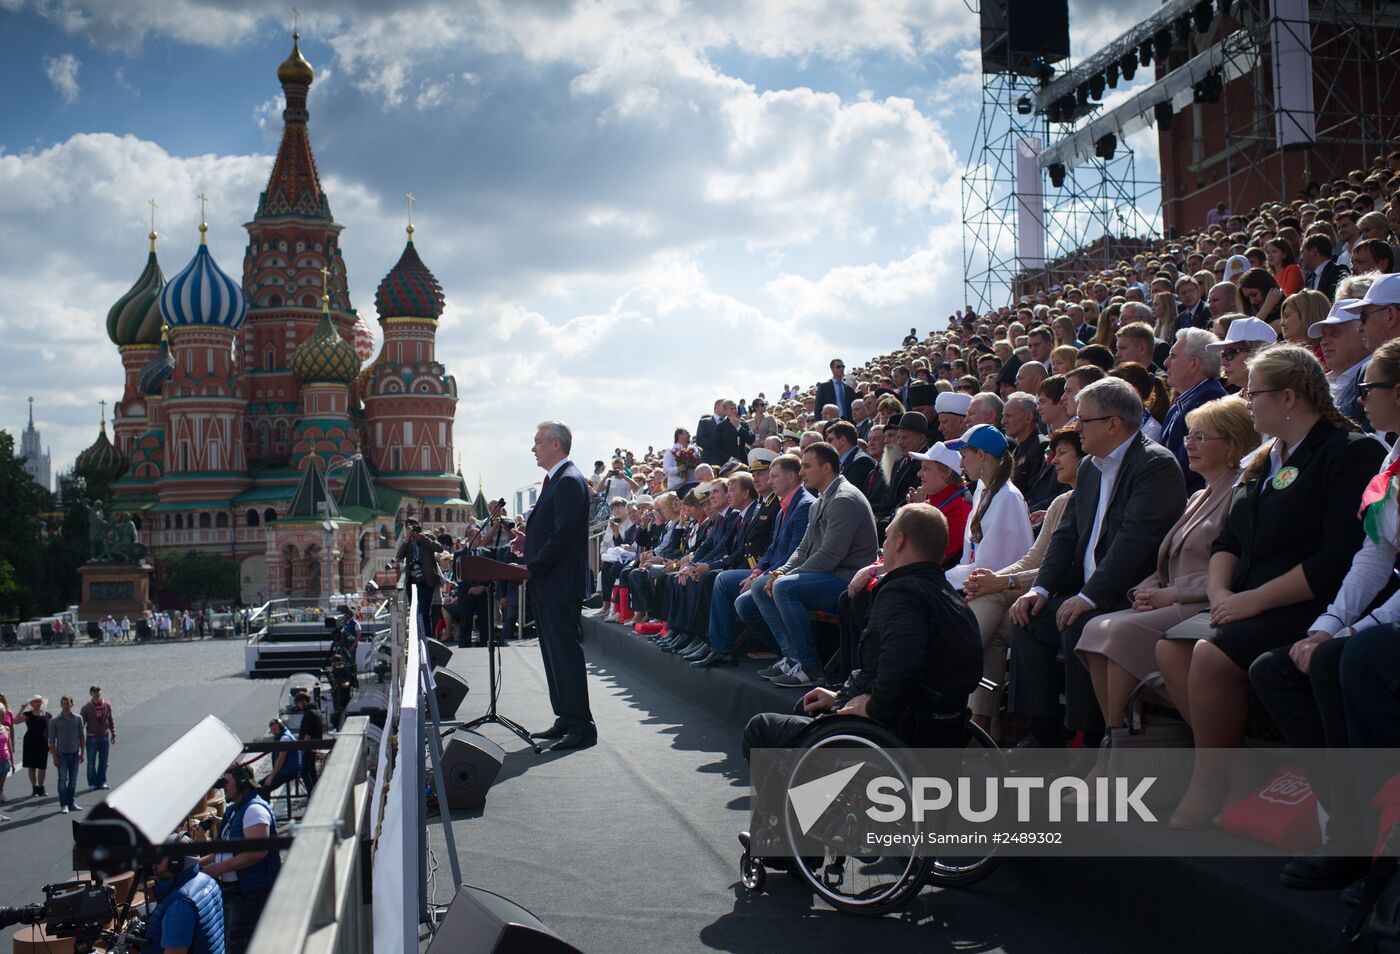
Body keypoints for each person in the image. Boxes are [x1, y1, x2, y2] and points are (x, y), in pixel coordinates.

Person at [1162, 344, 1383, 829]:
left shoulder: (1350, 452)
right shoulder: (1262, 460)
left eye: (1252, 392)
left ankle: (1208, 783)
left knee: (1208, 653)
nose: (1245, 400)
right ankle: (1234, 773)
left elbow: (1337, 558)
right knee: (1171, 649)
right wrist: (1221, 595)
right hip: (1247, 600)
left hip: (1311, 602)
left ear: (1288, 398)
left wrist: (1247, 602)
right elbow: (1230, 538)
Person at [1245, 337, 1400, 890]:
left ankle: (1374, 839)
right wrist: (1325, 625)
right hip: (1385, 617)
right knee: (1278, 667)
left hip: (1389, 627)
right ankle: (1350, 826)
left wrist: (1351, 629)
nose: (1361, 395)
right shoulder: (1391, 455)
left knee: (1353, 658)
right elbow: (1374, 555)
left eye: (1371, 386)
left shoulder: (1359, 450)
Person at [1007, 378, 1187, 746]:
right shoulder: (1090, 467)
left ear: (1112, 424)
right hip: (1087, 591)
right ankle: (1043, 738)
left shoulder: (1155, 465)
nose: (1075, 429)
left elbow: (1133, 544)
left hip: (1128, 595)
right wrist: (1041, 589)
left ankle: (1092, 741)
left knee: (1079, 626)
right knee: (1026, 618)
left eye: (1082, 421)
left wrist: (1088, 597)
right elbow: (1067, 535)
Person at [740, 502, 982, 758]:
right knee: (807, 706)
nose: (883, 545)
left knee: (760, 728)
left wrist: (874, 706)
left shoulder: (902, 594)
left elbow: (903, 663)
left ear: (899, 541)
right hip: (942, 727)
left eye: (886, 537)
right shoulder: (951, 599)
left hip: (897, 731)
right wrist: (840, 696)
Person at [1081, 396, 1257, 734]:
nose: (1188, 444)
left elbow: (1238, 569)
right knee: (1093, 629)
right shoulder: (1199, 496)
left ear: (1233, 444)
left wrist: (1174, 593)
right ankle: (1114, 739)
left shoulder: (1241, 494)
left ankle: (1118, 748)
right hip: (1174, 600)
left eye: (1201, 438)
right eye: (1189, 436)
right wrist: (1146, 589)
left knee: (1117, 631)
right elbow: (1170, 559)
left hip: (1201, 605)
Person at [963, 426, 1084, 730]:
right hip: (1038, 591)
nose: (1052, 460)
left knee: (996, 607)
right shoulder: (1059, 503)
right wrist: (989, 579)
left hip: (1063, 594)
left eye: (1061, 453)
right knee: (993, 614)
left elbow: (1064, 568)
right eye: (1050, 452)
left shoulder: (1008, 497)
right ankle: (979, 724)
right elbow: (1034, 559)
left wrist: (999, 582)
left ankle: (955, 690)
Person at [746, 442, 879, 688]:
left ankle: (811, 667)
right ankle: (792, 657)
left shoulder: (844, 498)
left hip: (847, 580)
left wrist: (785, 578)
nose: (802, 472)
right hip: (830, 574)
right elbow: (804, 548)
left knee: (784, 588)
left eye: (807, 466)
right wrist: (780, 572)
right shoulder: (821, 500)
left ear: (826, 467)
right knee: (763, 586)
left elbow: (830, 555)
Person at [515, 421, 597, 752]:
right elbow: (552, 530)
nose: (533, 448)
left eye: (537, 442)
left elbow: (563, 536)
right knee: (552, 655)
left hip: (559, 584)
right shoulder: (556, 481)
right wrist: (528, 542)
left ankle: (580, 725)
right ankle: (565, 717)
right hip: (549, 583)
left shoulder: (568, 481)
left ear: (556, 445)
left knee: (565, 654)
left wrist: (530, 565)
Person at [943, 424, 1034, 593]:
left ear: (981, 454)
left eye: (963, 456)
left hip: (1000, 591)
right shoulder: (984, 490)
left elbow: (989, 567)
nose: (961, 465)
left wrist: (941, 579)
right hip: (976, 584)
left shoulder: (1007, 497)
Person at [204, 765, 280, 954]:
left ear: (242, 784)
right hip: (237, 892)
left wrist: (218, 869)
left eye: (227, 782)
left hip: (250, 892)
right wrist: (199, 864)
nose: (224, 788)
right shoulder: (234, 811)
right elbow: (223, 848)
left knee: (241, 944)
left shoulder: (254, 810)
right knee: (234, 941)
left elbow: (257, 852)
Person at [1162, 328, 1228, 492]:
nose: (1166, 362)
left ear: (1194, 364)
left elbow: (1186, 467)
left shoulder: (1210, 399)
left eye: (1174, 356)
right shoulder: (1185, 398)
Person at [143, 834, 226, 954]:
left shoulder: (179, 906)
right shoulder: (208, 880)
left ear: (176, 862)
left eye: (159, 858)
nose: (153, 864)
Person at [395, 518, 445, 639]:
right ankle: (418, 637)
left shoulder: (426, 537)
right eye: (409, 528)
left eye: (413, 527)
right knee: (415, 611)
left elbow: (440, 548)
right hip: (412, 581)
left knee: (425, 610)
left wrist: (423, 538)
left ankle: (427, 638)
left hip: (427, 580)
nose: (412, 530)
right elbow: (399, 556)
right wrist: (407, 538)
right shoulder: (407, 542)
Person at [49, 695, 85, 813]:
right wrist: (54, 757)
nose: (66, 706)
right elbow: (52, 741)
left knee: (73, 780)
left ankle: (72, 803)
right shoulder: (54, 721)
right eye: (63, 703)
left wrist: (82, 753)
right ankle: (64, 804)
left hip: (75, 753)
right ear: (61, 705)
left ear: (72, 704)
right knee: (62, 779)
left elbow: (82, 736)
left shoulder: (78, 718)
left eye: (68, 703)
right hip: (62, 754)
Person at [81, 685, 115, 792]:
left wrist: (113, 732)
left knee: (104, 761)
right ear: (90, 694)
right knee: (91, 762)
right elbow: (82, 723)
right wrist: (79, 737)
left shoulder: (107, 705)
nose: (97, 694)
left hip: (104, 736)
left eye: (98, 692)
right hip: (92, 738)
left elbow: (110, 720)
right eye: (94, 692)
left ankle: (102, 782)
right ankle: (92, 783)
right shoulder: (86, 707)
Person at [16, 695, 51, 797]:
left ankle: (41, 788)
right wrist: (22, 708)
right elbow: (15, 721)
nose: (37, 703)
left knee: (42, 767)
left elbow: (50, 731)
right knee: (31, 766)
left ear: (42, 703)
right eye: (35, 701)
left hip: (43, 742)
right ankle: (34, 788)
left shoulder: (48, 715)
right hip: (30, 742)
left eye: (39, 701)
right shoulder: (28, 714)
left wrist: (52, 743)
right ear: (31, 704)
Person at [259, 718, 302, 799]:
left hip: (289, 770)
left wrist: (271, 776)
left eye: (275, 728)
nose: (273, 731)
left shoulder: (284, 738)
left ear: (280, 727)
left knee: (264, 789)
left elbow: (280, 760)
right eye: (272, 729)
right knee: (260, 785)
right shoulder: (284, 735)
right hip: (288, 768)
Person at [294, 692, 322, 794]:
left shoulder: (309, 713)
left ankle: (311, 793)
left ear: (304, 701)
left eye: (298, 703)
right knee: (311, 770)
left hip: (308, 746)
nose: (298, 706)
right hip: (314, 746)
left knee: (305, 770)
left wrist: (302, 750)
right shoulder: (316, 711)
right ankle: (315, 791)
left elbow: (308, 733)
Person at [815, 358, 857, 423]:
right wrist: (819, 424)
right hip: (830, 423)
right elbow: (818, 408)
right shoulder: (824, 387)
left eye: (843, 366)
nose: (841, 369)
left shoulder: (849, 389)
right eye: (838, 367)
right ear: (832, 369)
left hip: (848, 423)